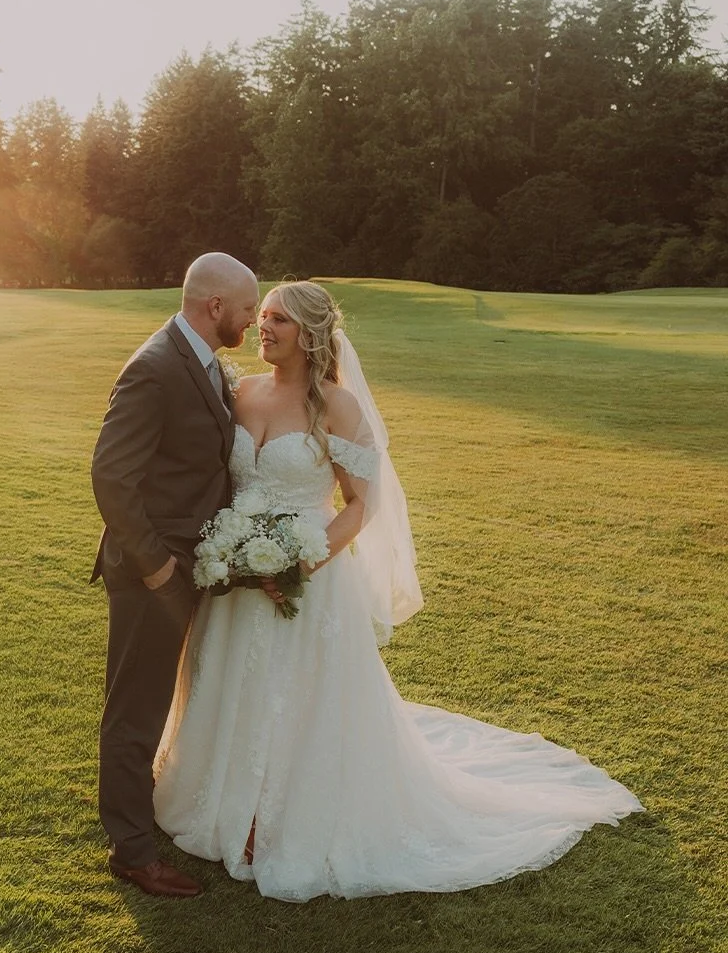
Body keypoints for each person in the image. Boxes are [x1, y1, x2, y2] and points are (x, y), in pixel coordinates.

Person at [153, 281, 643, 902]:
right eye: (262, 316)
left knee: (295, 694)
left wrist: (299, 567)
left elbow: (361, 508)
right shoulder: (242, 392)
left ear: (307, 332)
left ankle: (274, 817)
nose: (261, 329)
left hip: (308, 580)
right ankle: (223, 801)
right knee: (233, 682)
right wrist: (233, 553)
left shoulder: (339, 409)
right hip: (234, 576)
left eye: (275, 319)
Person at [91, 251, 260, 897]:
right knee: (135, 708)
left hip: (193, 561)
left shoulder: (197, 356)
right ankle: (132, 851)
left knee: (162, 698)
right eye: (247, 308)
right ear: (215, 306)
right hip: (151, 573)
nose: (251, 318)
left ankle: (149, 811)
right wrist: (158, 569)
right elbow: (111, 477)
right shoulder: (156, 367)